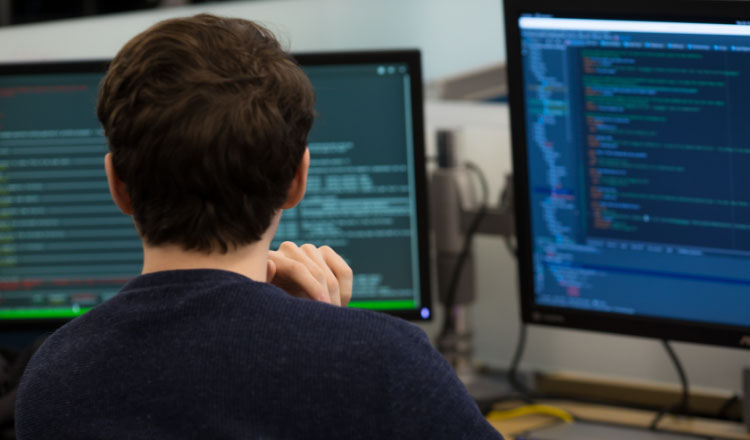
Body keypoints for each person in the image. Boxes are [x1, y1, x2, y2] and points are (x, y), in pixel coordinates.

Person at [15, 14, 503, 439]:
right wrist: (332, 336)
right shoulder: (385, 365)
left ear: (117, 184)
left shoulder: (56, 376)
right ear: (297, 180)